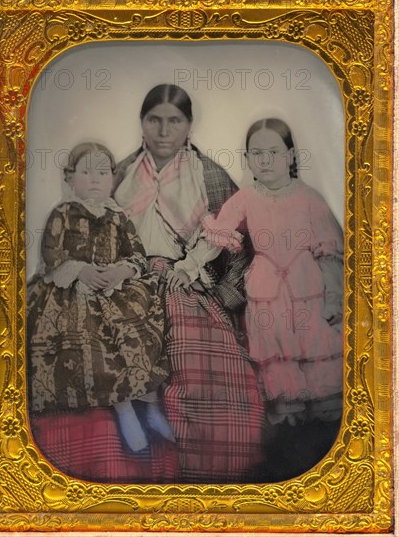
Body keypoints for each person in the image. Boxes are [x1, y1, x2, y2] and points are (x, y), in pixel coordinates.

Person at [114, 84, 265, 483]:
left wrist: (221, 294)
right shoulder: (119, 173)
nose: (164, 131)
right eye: (154, 120)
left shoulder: (209, 175)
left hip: (189, 282)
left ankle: (219, 476)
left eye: (174, 121)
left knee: (210, 365)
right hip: (129, 281)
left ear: (189, 127)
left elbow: (240, 246)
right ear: (142, 125)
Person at [202, 118, 343, 478]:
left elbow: (329, 253)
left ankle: (325, 449)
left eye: (274, 153)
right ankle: (286, 451)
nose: (265, 161)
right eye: (256, 154)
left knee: (316, 363)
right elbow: (221, 230)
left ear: (290, 155)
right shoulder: (247, 197)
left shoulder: (309, 198)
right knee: (278, 363)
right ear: (248, 159)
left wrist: (333, 300)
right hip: (266, 293)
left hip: (308, 291)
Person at [27, 142, 175, 455]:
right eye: (86, 172)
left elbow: (136, 253)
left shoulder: (118, 217)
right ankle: (123, 411)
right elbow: (52, 256)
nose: (95, 179)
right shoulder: (63, 213)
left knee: (143, 321)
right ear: (70, 178)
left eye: (102, 172)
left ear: (112, 179)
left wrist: (122, 271)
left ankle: (151, 408)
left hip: (113, 286)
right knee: (90, 330)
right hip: (73, 289)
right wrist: (79, 271)